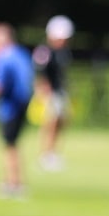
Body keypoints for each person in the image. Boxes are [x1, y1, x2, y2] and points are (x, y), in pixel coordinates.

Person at [0, 23, 38, 199]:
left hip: (10, 107)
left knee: (9, 146)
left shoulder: (3, 57)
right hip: (24, 104)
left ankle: (14, 183)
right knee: (13, 145)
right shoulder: (21, 54)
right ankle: (12, 181)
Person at [34, 15, 75, 170]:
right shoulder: (45, 51)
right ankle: (46, 154)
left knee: (61, 123)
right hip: (50, 93)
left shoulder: (63, 52)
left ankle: (53, 152)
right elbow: (41, 74)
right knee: (51, 123)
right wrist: (44, 92)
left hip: (60, 92)